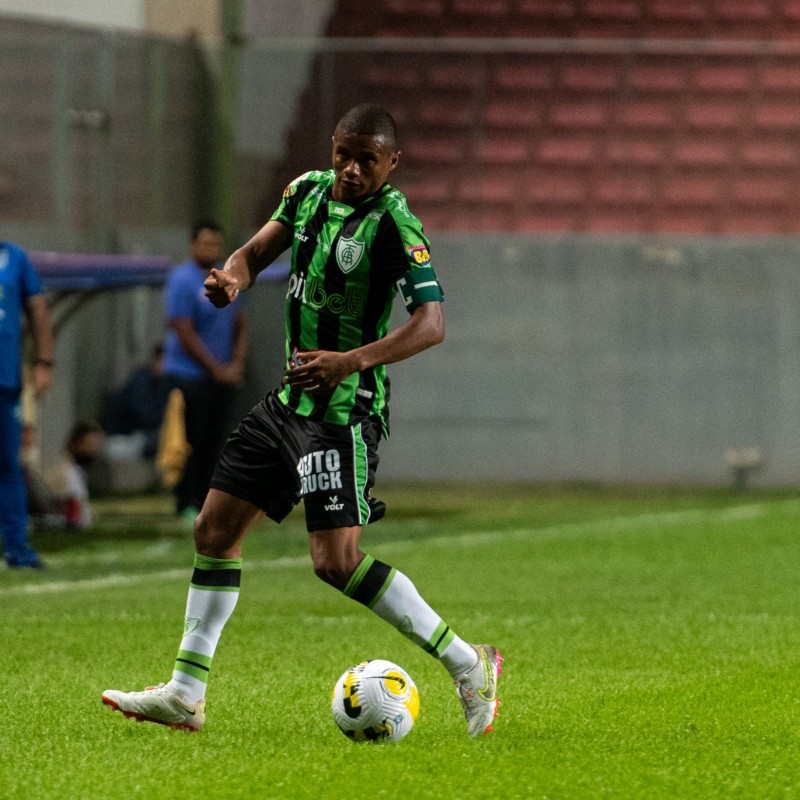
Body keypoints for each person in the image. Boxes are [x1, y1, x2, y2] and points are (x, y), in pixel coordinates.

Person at [101, 105, 502, 737]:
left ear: (392, 163)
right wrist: (233, 277)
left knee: (335, 562)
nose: (349, 167)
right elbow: (255, 252)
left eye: (366, 158)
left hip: (343, 413)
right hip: (288, 403)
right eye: (343, 152)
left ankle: (467, 662)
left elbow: (431, 325)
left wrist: (350, 361)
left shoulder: (396, 226)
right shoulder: (307, 192)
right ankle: (185, 692)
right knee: (213, 530)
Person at [162, 221, 248, 521]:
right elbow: (183, 331)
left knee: (217, 441)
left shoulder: (228, 276)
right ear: (192, 245)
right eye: (206, 243)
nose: (211, 249)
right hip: (188, 376)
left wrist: (236, 363)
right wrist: (215, 369)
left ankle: (207, 500)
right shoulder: (182, 280)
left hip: (221, 375)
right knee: (190, 441)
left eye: (216, 244)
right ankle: (185, 500)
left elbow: (238, 323)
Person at [0, 240, 54, 568]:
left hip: (5, 381)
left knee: (9, 467)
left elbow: (38, 309)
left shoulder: (14, 256)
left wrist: (44, 362)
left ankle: (17, 548)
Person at [103, 343, 170, 458]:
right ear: (156, 360)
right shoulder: (140, 380)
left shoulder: (157, 382)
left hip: (135, 437)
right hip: (121, 441)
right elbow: (147, 416)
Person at [44, 420, 104, 528]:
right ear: (72, 444)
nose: (92, 450)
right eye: (88, 444)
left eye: (95, 445)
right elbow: (75, 515)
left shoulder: (75, 471)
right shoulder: (66, 473)